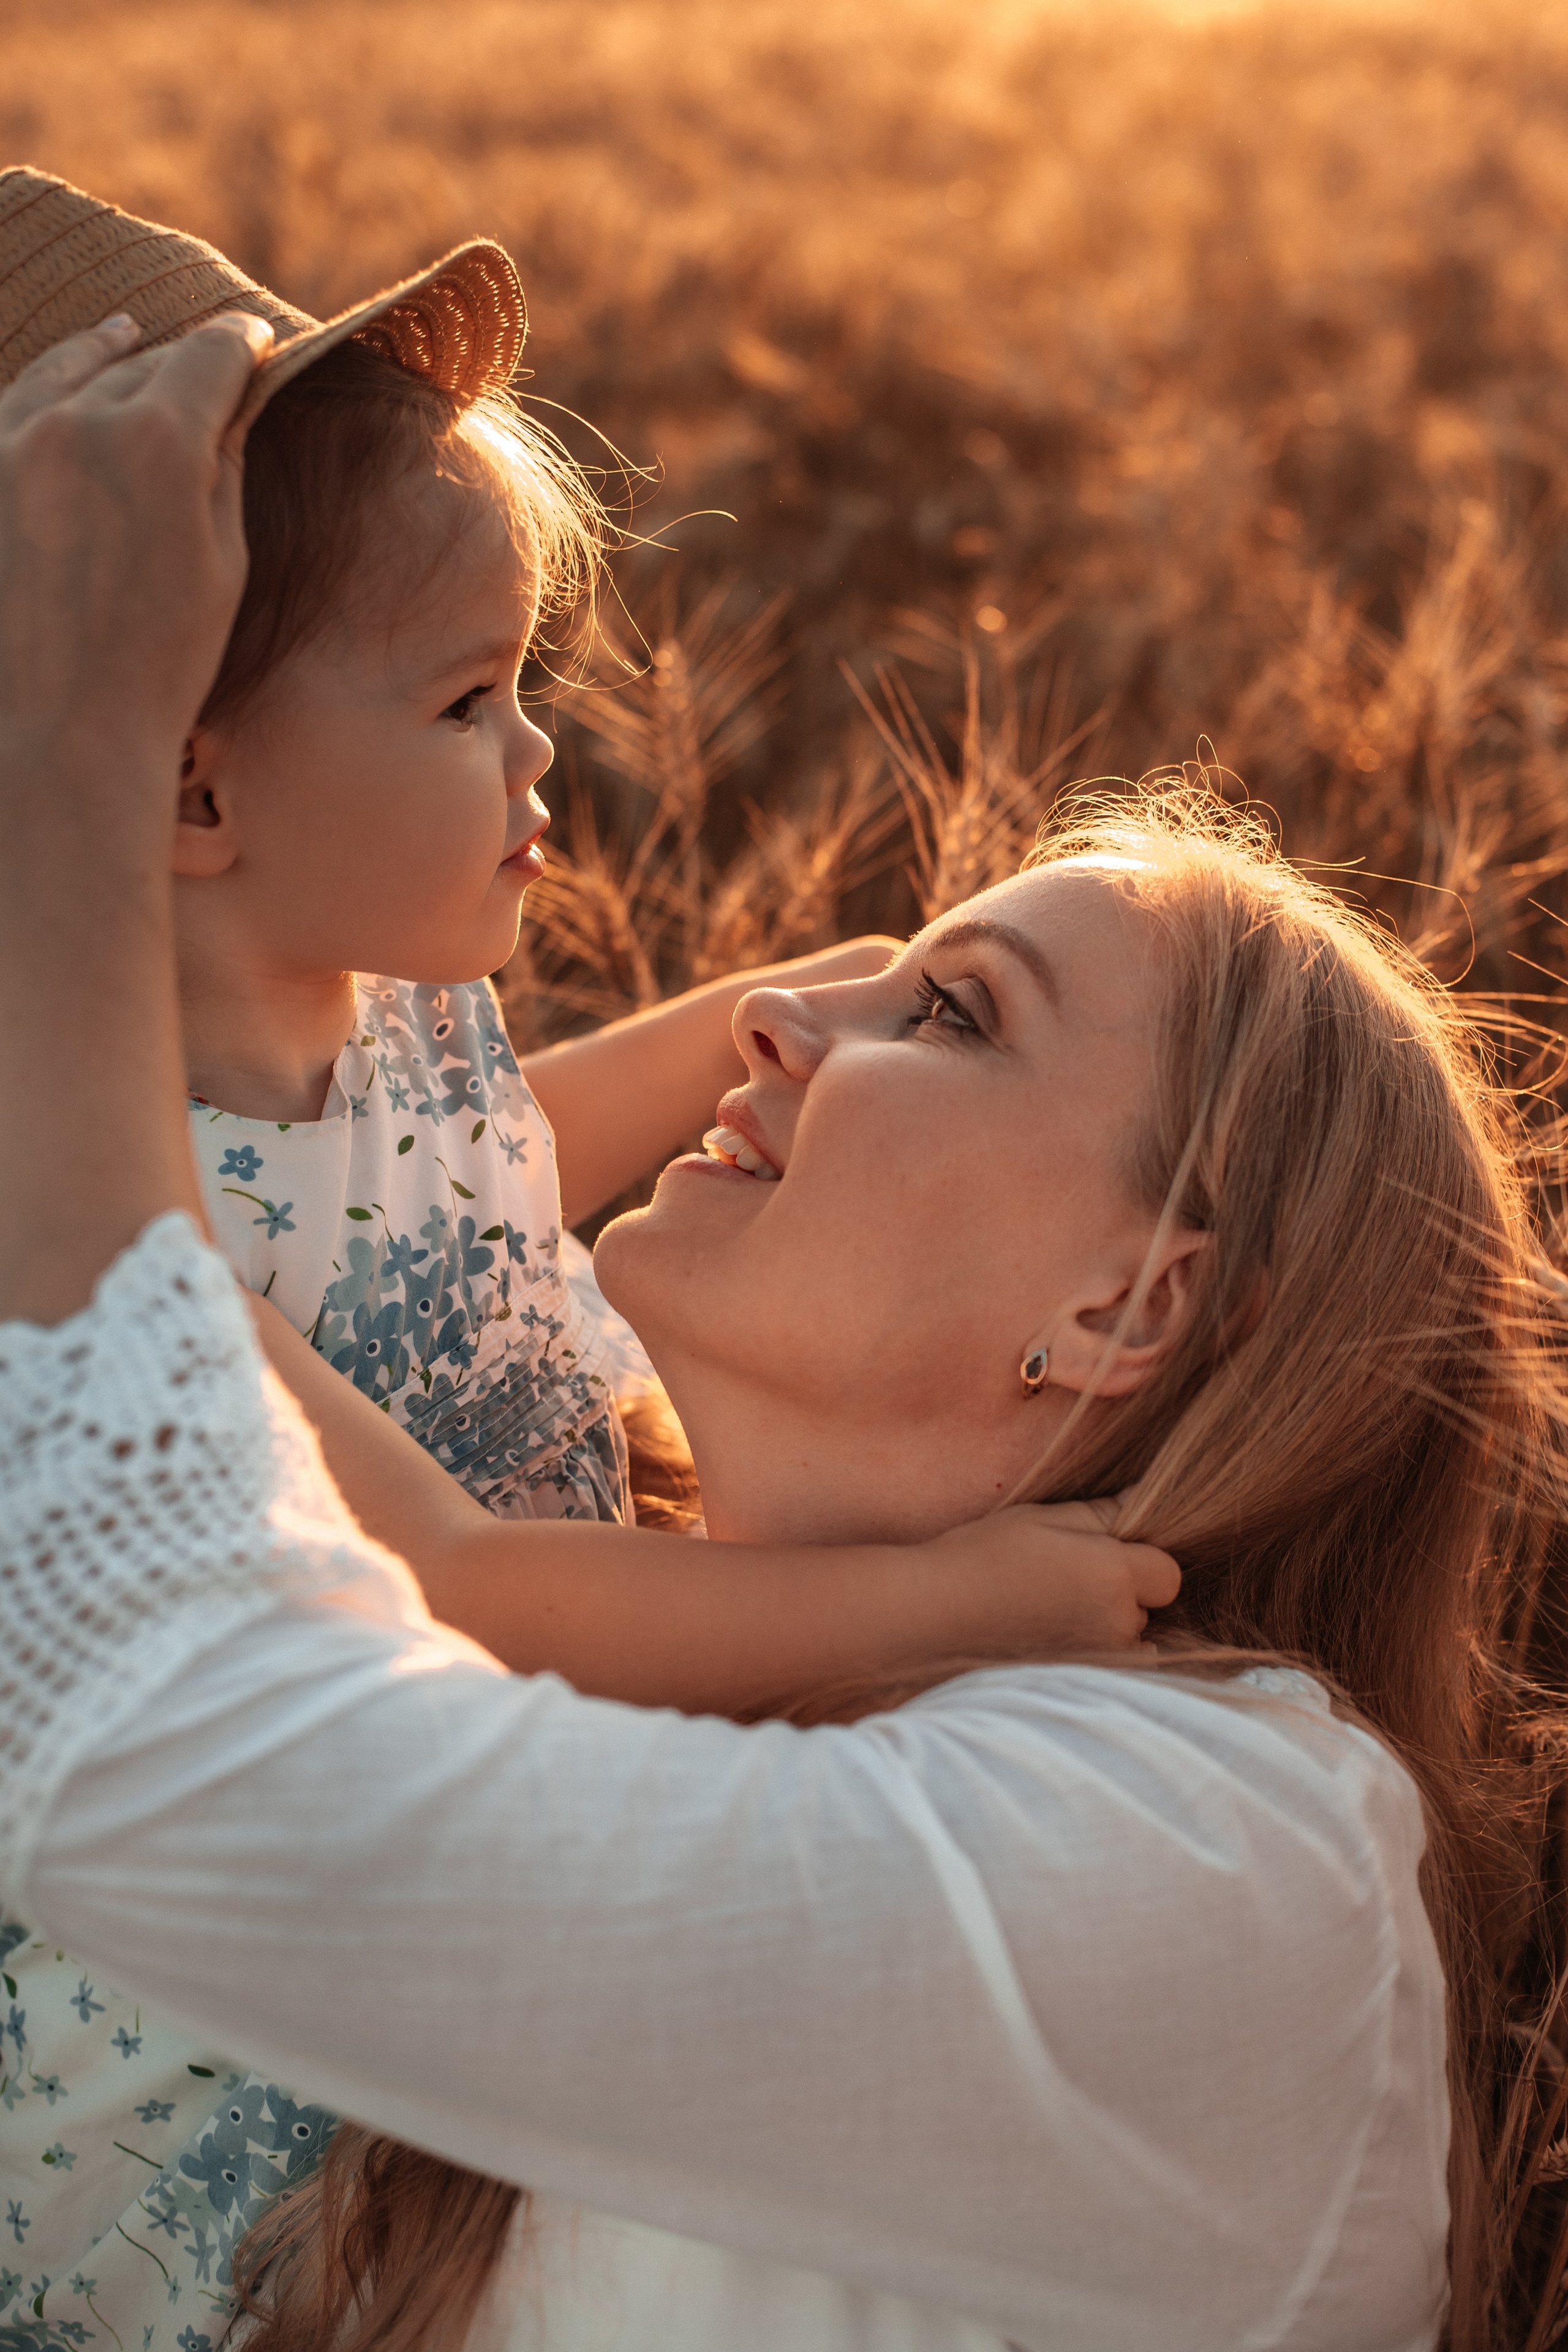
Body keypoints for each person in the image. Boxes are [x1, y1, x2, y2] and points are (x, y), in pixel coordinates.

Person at [3, 292, 1567, 2352]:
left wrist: (60, 784)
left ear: (1136, 1299)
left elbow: (189, 1759)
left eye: (950, 1012)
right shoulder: (713, 1555)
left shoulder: (1232, 1853)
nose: (767, 998)